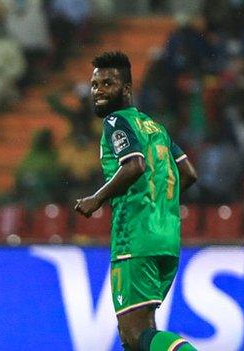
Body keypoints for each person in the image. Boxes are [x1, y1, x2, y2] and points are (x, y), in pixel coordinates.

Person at [74, 52, 198, 351]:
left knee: (133, 332)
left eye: (108, 83)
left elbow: (134, 165)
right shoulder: (155, 127)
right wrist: (158, 203)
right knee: (139, 338)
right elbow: (188, 173)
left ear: (126, 89)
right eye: (94, 85)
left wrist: (96, 199)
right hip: (166, 239)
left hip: (135, 238)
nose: (99, 90)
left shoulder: (116, 121)